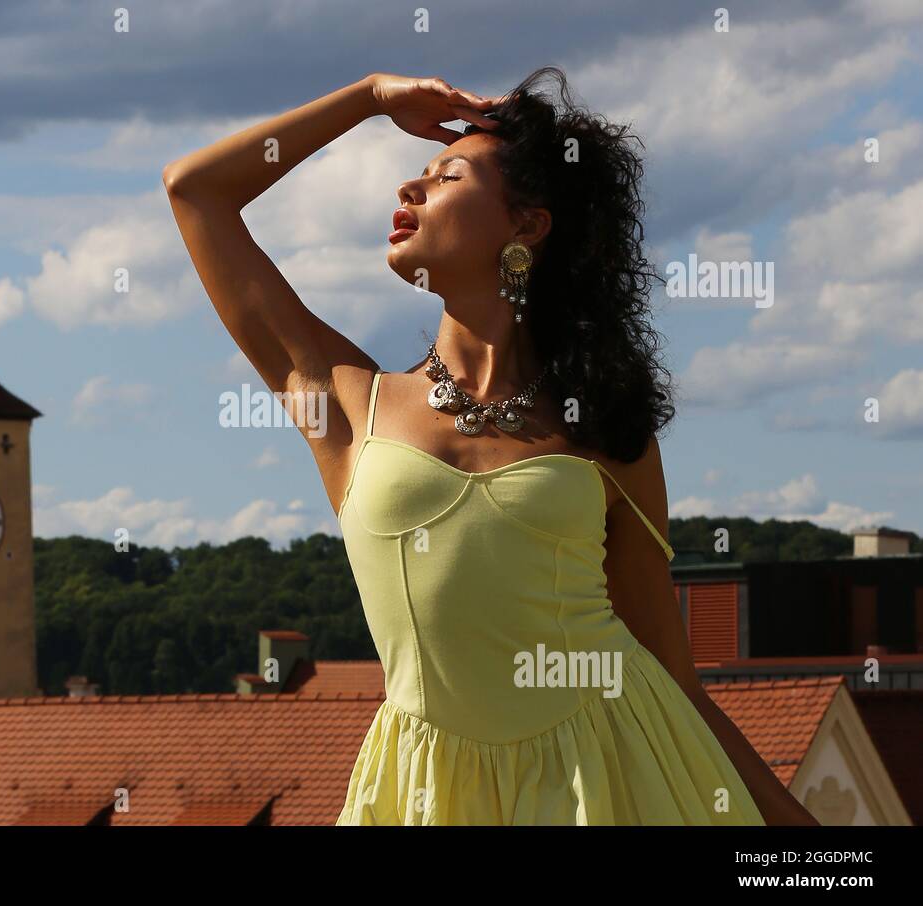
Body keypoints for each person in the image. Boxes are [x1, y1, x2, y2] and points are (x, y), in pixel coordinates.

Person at [163, 69, 818, 826]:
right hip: (423, 795)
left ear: (527, 227)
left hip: (612, 778)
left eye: (446, 175)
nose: (410, 189)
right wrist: (371, 98)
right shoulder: (347, 402)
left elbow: (677, 681)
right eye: (417, 175)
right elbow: (196, 192)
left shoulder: (606, 426)